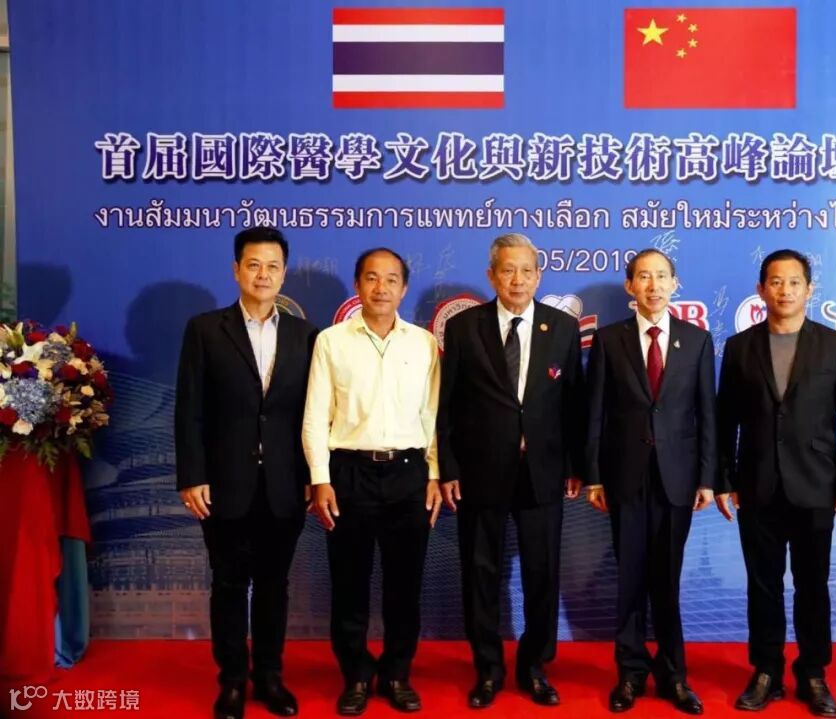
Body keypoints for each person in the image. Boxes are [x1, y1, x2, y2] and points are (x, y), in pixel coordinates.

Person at [716, 249, 836, 717]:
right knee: (762, 586)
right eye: (776, 282)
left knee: (812, 586)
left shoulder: (834, 345)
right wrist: (724, 479)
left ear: (809, 289)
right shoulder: (740, 347)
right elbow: (725, 421)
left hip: (816, 485)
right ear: (761, 289)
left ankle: (813, 673)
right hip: (756, 484)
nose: (785, 291)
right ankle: (766, 671)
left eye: (794, 282)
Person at [437, 233, 585, 709]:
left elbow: (574, 404)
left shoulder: (562, 327)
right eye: (507, 270)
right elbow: (447, 405)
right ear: (491, 275)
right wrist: (449, 467)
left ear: (539, 275)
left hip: (543, 471)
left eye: (526, 270)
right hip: (480, 471)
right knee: (481, 572)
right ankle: (488, 669)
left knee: (542, 573)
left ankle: (534, 666)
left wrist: (575, 465)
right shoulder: (464, 327)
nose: (517, 279)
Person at [175, 226, 318, 719]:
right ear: (236, 270)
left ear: (284, 274)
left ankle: (270, 677)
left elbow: (313, 413)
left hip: (285, 483)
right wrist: (191, 475)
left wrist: (313, 475)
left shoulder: (305, 335)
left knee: (275, 585)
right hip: (224, 483)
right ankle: (232, 680)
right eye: (253, 265)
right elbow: (189, 410)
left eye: (272, 266)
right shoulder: (205, 330)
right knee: (229, 584)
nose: (263, 274)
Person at [303, 248, 442, 716]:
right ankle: (357, 676)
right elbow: (315, 416)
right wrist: (320, 479)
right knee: (349, 585)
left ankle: (398, 673)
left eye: (391, 279)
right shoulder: (331, 342)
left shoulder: (423, 343)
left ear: (405, 288)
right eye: (371, 278)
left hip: (409, 475)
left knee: (405, 585)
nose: (381, 288)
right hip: (349, 474)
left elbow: (433, 415)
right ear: (357, 285)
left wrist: (434, 472)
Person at [585, 248, 716, 715]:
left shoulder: (697, 341)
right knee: (629, 580)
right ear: (630, 286)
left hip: (677, 479)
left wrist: (707, 477)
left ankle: (674, 676)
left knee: (667, 581)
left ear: (675, 284)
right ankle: (630, 672)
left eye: (662, 276)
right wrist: (594, 477)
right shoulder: (608, 340)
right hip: (625, 478)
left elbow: (707, 414)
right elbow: (594, 413)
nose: (653, 285)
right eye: (644, 276)